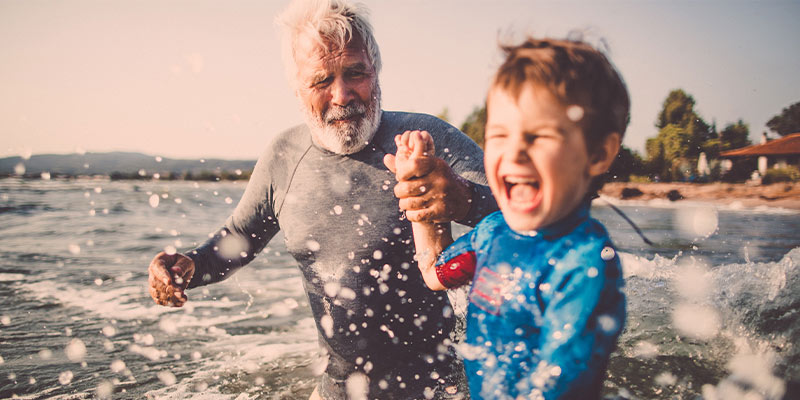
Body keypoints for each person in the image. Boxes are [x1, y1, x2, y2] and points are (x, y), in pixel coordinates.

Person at [147, 0, 498, 398]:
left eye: (355, 74)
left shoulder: (426, 141)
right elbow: (237, 240)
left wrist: (463, 199)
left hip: (443, 391)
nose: (342, 94)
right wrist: (188, 265)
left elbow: (529, 214)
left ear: (375, 72)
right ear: (296, 86)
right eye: (321, 80)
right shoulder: (284, 158)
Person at [397, 37, 628, 399]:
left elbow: (559, 388)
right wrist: (419, 192)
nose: (515, 152)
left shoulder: (584, 265)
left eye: (539, 136)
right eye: (500, 134)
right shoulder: (492, 233)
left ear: (598, 153)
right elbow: (433, 274)